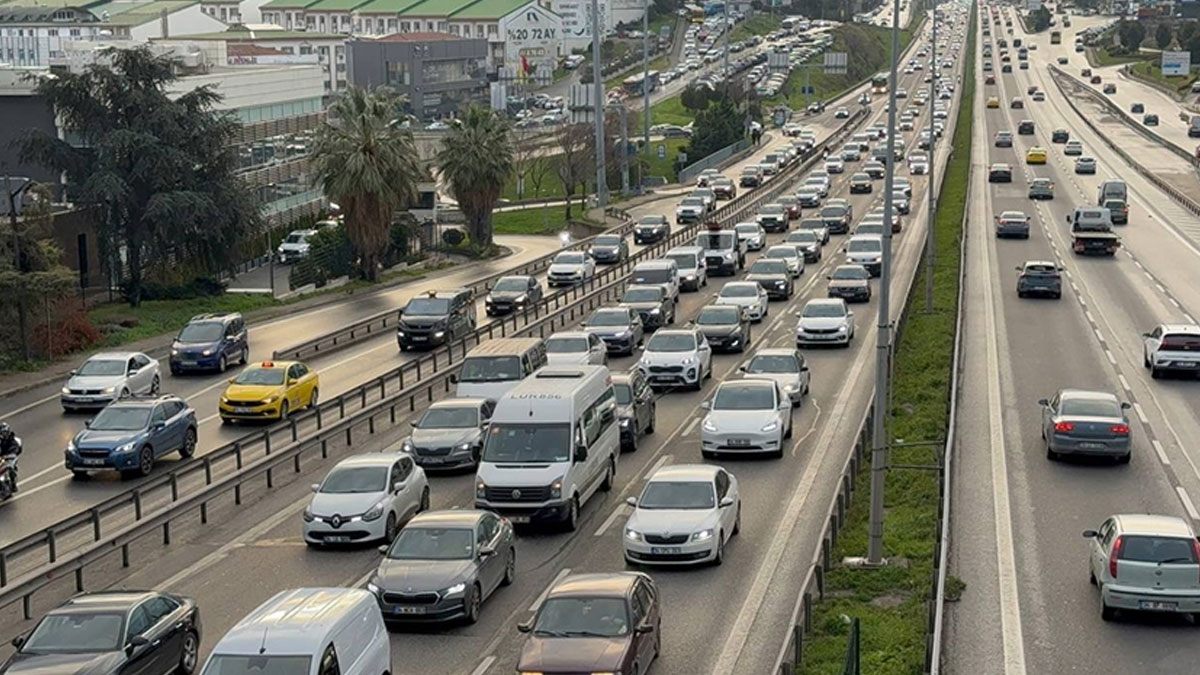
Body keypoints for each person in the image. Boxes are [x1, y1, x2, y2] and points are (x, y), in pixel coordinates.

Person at [0, 423, 19, 494]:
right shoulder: (1, 440)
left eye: (5, 432)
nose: (3, 434)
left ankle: (13, 484)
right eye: (2, 433)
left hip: (10, 457)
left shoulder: (12, 441)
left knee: (10, 467)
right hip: (2, 457)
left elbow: (15, 449)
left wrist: (9, 456)